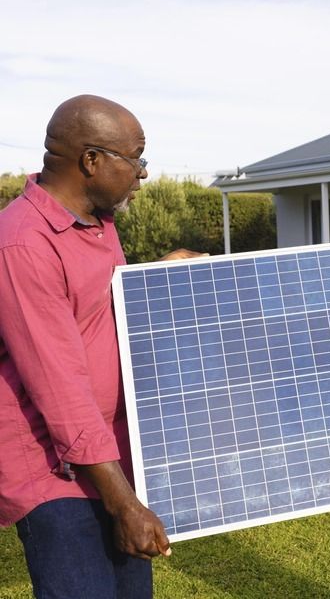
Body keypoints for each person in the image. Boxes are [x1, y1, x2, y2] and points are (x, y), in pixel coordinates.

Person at [0, 95, 198, 599]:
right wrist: (125, 505)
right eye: (136, 159)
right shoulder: (22, 243)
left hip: (111, 454)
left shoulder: (97, 223)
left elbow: (89, 308)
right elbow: (60, 389)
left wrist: (153, 279)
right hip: (55, 472)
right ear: (91, 160)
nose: (143, 173)